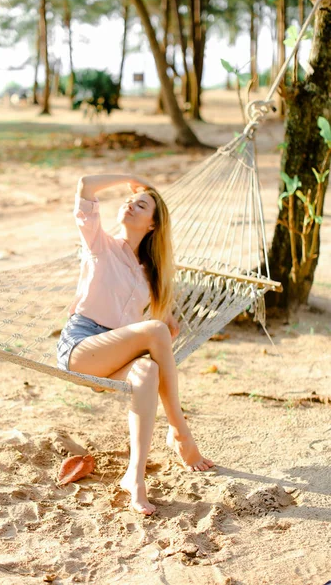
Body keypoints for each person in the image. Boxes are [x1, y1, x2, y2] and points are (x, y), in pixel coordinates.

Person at [57, 174, 214, 515]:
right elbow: (85, 185)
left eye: (141, 205)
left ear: (154, 224)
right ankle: (180, 432)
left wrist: (157, 332)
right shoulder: (99, 244)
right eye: (129, 201)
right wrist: (131, 180)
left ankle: (135, 475)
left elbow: (168, 329)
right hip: (81, 345)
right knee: (153, 332)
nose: (130, 204)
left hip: (114, 352)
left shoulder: (149, 273)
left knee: (147, 371)